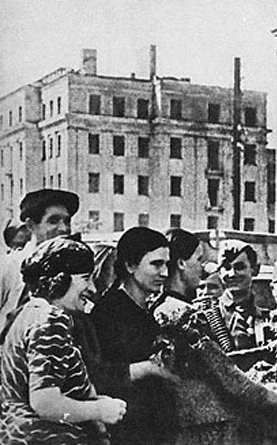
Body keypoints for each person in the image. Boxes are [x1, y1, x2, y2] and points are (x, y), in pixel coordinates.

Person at [152, 228, 277, 445]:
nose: (204, 268)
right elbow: (227, 374)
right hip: (205, 428)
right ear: (181, 263)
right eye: (199, 259)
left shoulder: (159, 308)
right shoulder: (183, 314)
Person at [0, 237, 126, 444]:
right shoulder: (50, 319)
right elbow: (45, 404)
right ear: (60, 278)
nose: (93, 289)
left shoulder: (28, 312)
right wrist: (99, 410)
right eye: (86, 278)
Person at [90, 227, 177, 445]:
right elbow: (96, 373)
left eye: (167, 264)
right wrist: (145, 368)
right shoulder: (109, 312)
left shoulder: (145, 310)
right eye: (156, 264)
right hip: (124, 431)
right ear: (130, 265)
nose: (165, 273)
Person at [0, 189, 79, 337]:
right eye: (53, 221)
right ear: (31, 226)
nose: (64, 229)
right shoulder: (9, 266)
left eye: (67, 221)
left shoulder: (72, 269)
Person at [218, 240, 270, 350]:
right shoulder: (211, 315)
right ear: (219, 273)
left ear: (255, 270)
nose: (232, 274)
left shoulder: (268, 316)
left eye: (240, 267)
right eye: (226, 268)